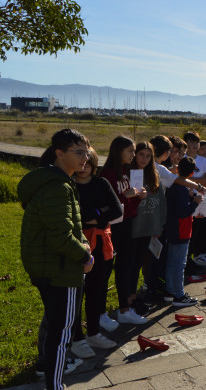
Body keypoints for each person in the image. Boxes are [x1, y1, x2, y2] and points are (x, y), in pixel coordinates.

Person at [19, 129, 93, 390]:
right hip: (60, 270)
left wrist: (82, 240)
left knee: (56, 329)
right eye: (79, 152)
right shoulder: (57, 187)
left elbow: (70, 226)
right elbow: (61, 237)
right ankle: (55, 385)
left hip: (51, 266)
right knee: (62, 335)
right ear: (59, 154)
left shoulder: (59, 182)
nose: (86, 158)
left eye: (87, 152)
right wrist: (85, 255)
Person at [71, 148, 122, 354]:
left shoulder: (101, 183)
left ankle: (93, 333)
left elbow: (117, 209)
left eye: (89, 164)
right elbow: (77, 216)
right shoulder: (69, 186)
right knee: (76, 293)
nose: (84, 168)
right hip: (78, 242)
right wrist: (100, 212)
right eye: (82, 164)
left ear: (93, 165)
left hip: (101, 243)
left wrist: (95, 215)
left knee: (96, 289)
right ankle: (76, 338)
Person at [100, 136, 149, 325]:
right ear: (119, 150)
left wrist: (139, 195)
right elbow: (107, 203)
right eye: (130, 151)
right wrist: (124, 195)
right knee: (104, 271)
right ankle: (100, 314)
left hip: (128, 223)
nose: (133, 155)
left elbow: (130, 202)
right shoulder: (108, 174)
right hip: (112, 227)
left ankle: (124, 309)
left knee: (125, 267)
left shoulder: (128, 171)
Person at [129, 142, 166, 307]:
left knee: (143, 261)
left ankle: (139, 292)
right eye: (141, 154)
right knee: (130, 264)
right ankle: (129, 297)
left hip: (149, 225)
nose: (144, 159)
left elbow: (161, 202)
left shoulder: (154, 174)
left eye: (148, 155)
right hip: (133, 226)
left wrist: (159, 224)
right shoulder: (129, 174)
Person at [164, 157, 202, 307]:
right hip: (181, 230)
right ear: (192, 174)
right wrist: (195, 203)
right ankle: (179, 295)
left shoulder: (175, 186)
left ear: (178, 169)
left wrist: (189, 197)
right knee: (179, 263)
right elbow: (183, 212)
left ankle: (170, 291)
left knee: (171, 262)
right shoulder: (180, 189)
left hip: (173, 229)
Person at [184, 132, 206, 266]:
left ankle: (195, 255)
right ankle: (186, 258)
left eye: (196, 142)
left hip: (201, 199)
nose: (195, 145)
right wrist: (198, 182)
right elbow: (179, 180)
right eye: (191, 142)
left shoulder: (203, 160)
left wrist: (190, 180)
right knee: (187, 231)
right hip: (186, 198)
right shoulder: (182, 159)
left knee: (199, 229)